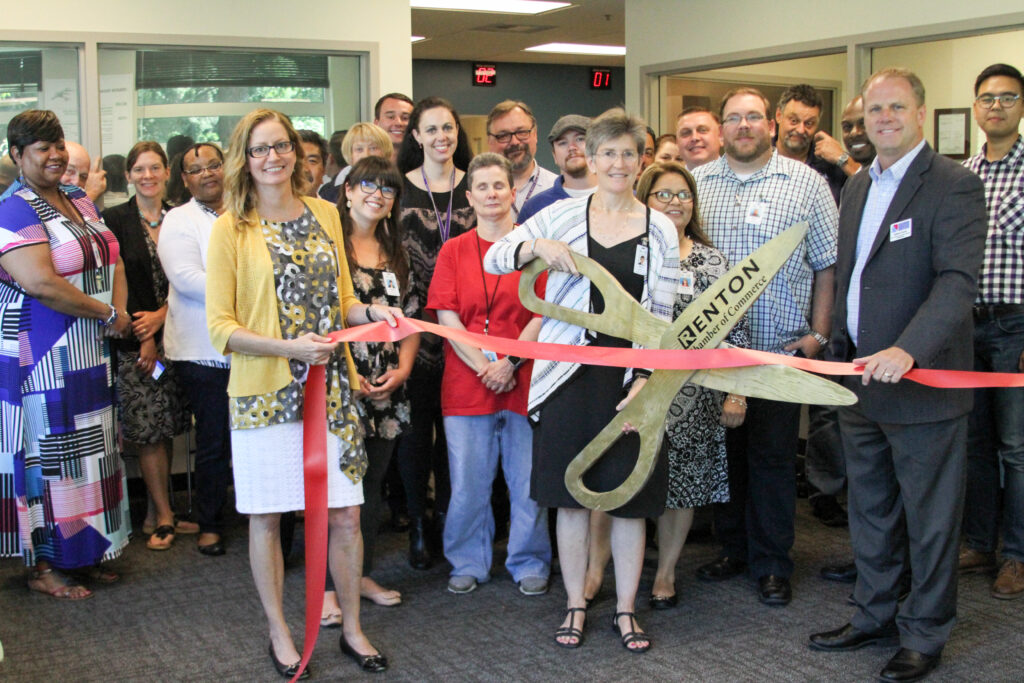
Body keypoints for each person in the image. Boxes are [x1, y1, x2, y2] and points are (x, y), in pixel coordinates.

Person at [809, 67, 987, 683]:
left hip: (923, 386)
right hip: (859, 378)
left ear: (920, 112)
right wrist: (838, 347)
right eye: (871, 111)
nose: (882, 119)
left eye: (895, 108)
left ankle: (925, 632)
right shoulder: (858, 186)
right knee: (871, 510)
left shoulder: (953, 186)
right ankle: (873, 613)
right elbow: (854, 275)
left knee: (931, 520)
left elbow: (957, 283)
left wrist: (909, 350)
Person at [206, 108, 394, 676]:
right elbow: (221, 328)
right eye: (260, 149)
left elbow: (340, 302)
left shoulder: (324, 214)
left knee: (345, 518)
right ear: (245, 157)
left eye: (282, 145)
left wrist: (372, 312)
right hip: (265, 392)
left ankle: (353, 629)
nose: (273, 157)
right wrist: (290, 350)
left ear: (296, 151)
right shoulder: (229, 228)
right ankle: (279, 631)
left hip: (331, 390)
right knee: (267, 519)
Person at [485, 108, 680, 652]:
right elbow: (498, 256)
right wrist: (534, 247)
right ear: (590, 160)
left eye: (628, 153)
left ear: (642, 160)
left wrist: (646, 378)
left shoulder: (660, 228)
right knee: (569, 499)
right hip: (569, 376)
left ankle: (624, 610)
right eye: (607, 153)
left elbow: (662, 316)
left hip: (631, 382)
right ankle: (575, 603)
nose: (618, 163)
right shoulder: (564, 215)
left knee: (628, 501)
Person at [692, 87, 837, 607]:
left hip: (779, 349)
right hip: (713, 352)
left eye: (754, 117)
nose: (744, 126)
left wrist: (818, 336)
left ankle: (773, 562)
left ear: (772, 124)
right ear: (722, 127)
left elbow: (827, 264)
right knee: (725, 454)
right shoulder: (697, 183)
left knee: (773, 458)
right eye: (734, 118)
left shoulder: (807, 184)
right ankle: (733, 548)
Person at [0, 109, 132, 599]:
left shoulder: (78, 197)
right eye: (41, 148)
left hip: (89, 346)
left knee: (93, 451)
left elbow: (109, 255)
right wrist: (106, 313)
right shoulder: (14, 208)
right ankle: (45, 565)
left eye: (58, 144)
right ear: (18, 156)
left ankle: (86, 550)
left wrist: (116, 310)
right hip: (44, 354)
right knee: (49, 454)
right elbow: (40, 283)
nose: (54, 155)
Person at [429, 153, 551, 596]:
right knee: (467, 485)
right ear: (469, 197)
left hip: (526, 379)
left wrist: (510, 364)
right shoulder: (453, 250)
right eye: (482, 187)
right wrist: (485, 367)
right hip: (467, 384)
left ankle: (529, 560)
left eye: (499, 185)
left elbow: (544, 312)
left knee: (527, 483)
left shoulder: (533, 247)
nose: (492, 194)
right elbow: (447, 317)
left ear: (513, 192)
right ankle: (467, 560)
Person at [635, 160, 748, 609]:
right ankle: (601, 569)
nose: (675, 203)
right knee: (628, 476)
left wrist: (736, 391)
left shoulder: (712, 259)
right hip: (633, 387)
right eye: (664, 194)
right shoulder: (630, 251)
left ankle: (665, 573)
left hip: (695, 393)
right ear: (644, 199)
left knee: (682, 483)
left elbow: (735, 332)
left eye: (683, 195)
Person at [337, 155, 420, 611]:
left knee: (371, 487)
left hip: (389, 384)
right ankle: (331, 587)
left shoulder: (398, 254)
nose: (377, 194)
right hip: (341, 383)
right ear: (347, 190)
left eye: (387, 189)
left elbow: (411, 321)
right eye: (367, 185)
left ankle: (360, 576)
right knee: (338, 489)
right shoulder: (329, 249)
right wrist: (351, 376)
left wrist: (403, 370)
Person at [395, 96, 475, 570]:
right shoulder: (398, 190)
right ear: (417, 137)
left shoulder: (477, 186)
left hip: (467, 330)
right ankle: (418, 526)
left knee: (457, 437)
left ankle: (449, 522)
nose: (442, 137)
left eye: (449, 128)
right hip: (415, 328)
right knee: (415, 433)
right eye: (432, 129)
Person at [102, 141, 192, 551]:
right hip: (138, 343)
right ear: (128, 175)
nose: (148, 176)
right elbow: (114, 286)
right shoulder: (113, 220)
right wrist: (148, 334)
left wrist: (163, 316)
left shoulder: (180, 216)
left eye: (155, 168)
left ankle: (157, 510)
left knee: (168, 423)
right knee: (150, 430)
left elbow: (193, 278)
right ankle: (166, 515)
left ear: (166, 172)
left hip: (182, 335)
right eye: (139, 169)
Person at [960, 63, 1024, 599]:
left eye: (1007, 97)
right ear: (975, 108)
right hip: (965, 326)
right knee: (975, 442)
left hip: (1017, 327)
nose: (996, 106)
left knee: (1017, 447)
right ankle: (979, 542)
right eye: (987, 98)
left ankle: (1017, 554)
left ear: (1021, 106)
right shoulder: (962, 173)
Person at [157, 142, 231, 556]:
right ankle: (210, 522)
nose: (207, 174)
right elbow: (186, 279)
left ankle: (262, 514)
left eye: (214, 165)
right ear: (183, 179)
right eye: (196, 169)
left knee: (257, 434)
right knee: (215, 438)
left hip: (252, 345)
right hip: (202, 350)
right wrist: (246, 291)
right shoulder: (179, 220)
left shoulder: (245, 209)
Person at [773, 84, 847, 204]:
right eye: (794, 121)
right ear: (779, 116)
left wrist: (844, 159)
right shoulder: (759, 158)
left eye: (809, 123)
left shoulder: (830, 165)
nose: (801, 130)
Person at [518, 114, 595, 224]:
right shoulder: (535, 208)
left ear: (596, 146)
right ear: (554, 156)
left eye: (580, 139)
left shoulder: (618, 198)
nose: (572, 147)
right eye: (563, 143)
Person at [486, 100, 558, 216]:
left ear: (535, 135)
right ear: (490, 142)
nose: (514, 142)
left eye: (522, 132)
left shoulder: (557, 187)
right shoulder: (479, 192)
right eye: (503, 135)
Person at [319, 123, 395, 204]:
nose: (366, 155)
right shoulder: (330, 194)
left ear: (385, 152)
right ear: (350, 154)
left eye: (373, 148)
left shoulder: (397, 188)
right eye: (359, 149)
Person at [675, 106, 723, 171]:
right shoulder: (668, 180)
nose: (694, 138)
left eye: (702, 130)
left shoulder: (738, 178)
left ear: (720, 135)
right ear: (677, 143)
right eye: (686, 133)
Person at [374, 92, 415, 161]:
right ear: (376, 123)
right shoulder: (360, 168)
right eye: (391, 117)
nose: (398, 123)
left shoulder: (427, 165)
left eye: (405, 118)